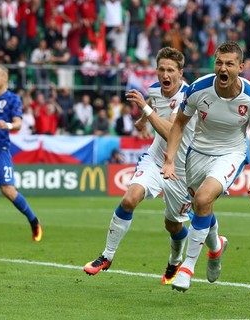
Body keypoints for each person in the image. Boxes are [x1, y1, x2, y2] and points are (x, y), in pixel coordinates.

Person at [83, 47, 196, 285]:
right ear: (156, 70)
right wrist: (143, 120)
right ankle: (107, 256)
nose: (165, 74)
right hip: (156, 159)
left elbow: (171, 131)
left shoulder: (188, 96)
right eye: (162, 69)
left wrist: (144, 109)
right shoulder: (155, 90)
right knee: (129, 199)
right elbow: (155, 107)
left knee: (173, 224)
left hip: (182, 167)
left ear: (180, 73)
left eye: (171, 70)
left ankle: (175, 261)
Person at [160, 40, 250, 292]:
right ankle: (216, 247)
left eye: (229, 63)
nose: (223, 68)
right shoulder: (198, 90)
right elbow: (179, 124)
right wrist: (170, 159)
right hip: (197, 151)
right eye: (219, 62)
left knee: (205, 198)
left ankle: (187, 268)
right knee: (200, 204)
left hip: (231, 153)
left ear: (240, 67)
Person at [0, 65, 43, 242]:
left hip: (0, 150)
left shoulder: (13, 99)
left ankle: (33, 220)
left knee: (8, 190)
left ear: (5, 78)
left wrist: (8, 125)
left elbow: (18, 123)